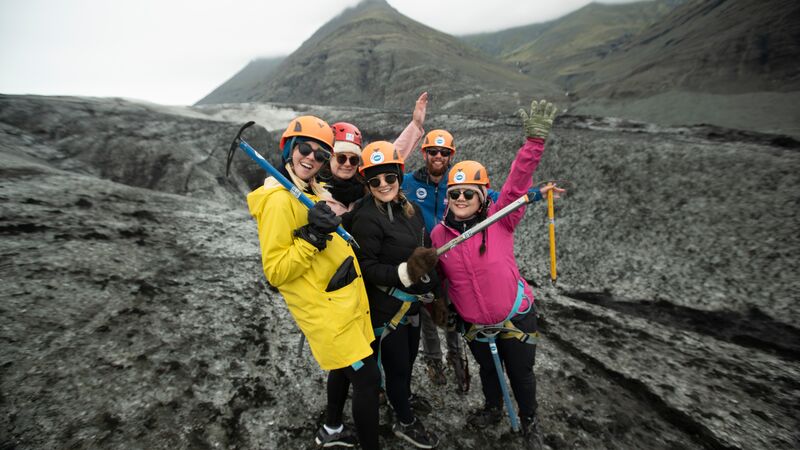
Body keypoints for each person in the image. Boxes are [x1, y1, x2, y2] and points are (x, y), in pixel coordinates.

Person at [429, 100, 561, 448]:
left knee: (520, 374)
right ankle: (492, 408)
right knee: (490, 372)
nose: (460, 198)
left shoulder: (502, 219)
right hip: (475, 325)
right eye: (454, 193)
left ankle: (530, 422)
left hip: (515, 316)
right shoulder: (439, 237)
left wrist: (533, 144)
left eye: (468, 193)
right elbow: (439, 278)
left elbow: (517, 185)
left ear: (482, 195)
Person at [246, 115, 380, 450]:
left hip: (343, 301)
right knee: (367, 381)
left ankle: (331, 429)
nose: (311, 158)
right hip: (326, 311)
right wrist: (312, 236)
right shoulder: (279, 200)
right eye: (305, 148)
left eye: (321, 155)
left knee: (342, 367)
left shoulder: (311, 189)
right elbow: (275, 271)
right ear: (289, 148)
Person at [348, 141, 440, 449]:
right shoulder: (365, 217)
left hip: (410, 305)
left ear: (399, 177)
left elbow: (422, 251)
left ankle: (402, 398)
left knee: (408, 362)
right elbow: (365, 265)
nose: (384, 185)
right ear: (367, 184)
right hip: (386, 310)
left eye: (389, 177)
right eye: (375, 180)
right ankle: (405, 420)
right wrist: (403, 274)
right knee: (399, 367)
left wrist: (430, 286)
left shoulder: (409, 210)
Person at [323, 93, 427, 215]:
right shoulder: (314, 187)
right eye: (341, 158)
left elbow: (389, 156)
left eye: (354, 160)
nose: (347, 164)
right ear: (329, 157)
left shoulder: (366, 183)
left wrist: (416, 125)